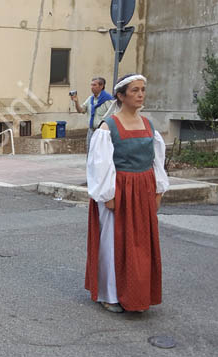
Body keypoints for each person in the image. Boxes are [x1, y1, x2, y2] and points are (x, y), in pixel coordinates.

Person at [84, 74, 170, 313]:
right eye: (134, 90)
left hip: (143, 189)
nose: (140, 94)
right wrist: (108, 195)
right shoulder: (108, 127)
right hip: (119, 189)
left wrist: (158, 189)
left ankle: (136, 292)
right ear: (121, 96)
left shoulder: (148, 126)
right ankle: (109, 295)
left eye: (142, 89)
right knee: (114, 242)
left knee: (140, 243)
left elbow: (156, 161)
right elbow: (100, 165)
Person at [71, 77, 113, 154]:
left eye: (94, 85)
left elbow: (113, 116)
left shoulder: (108, 100)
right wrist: (76, 102)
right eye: (91, 85)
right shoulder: (90, 99)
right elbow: (81, 110)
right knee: (90, 153)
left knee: (100, 154)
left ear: (101, 86)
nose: (92, 87)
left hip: (102, 132)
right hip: (91, 131)